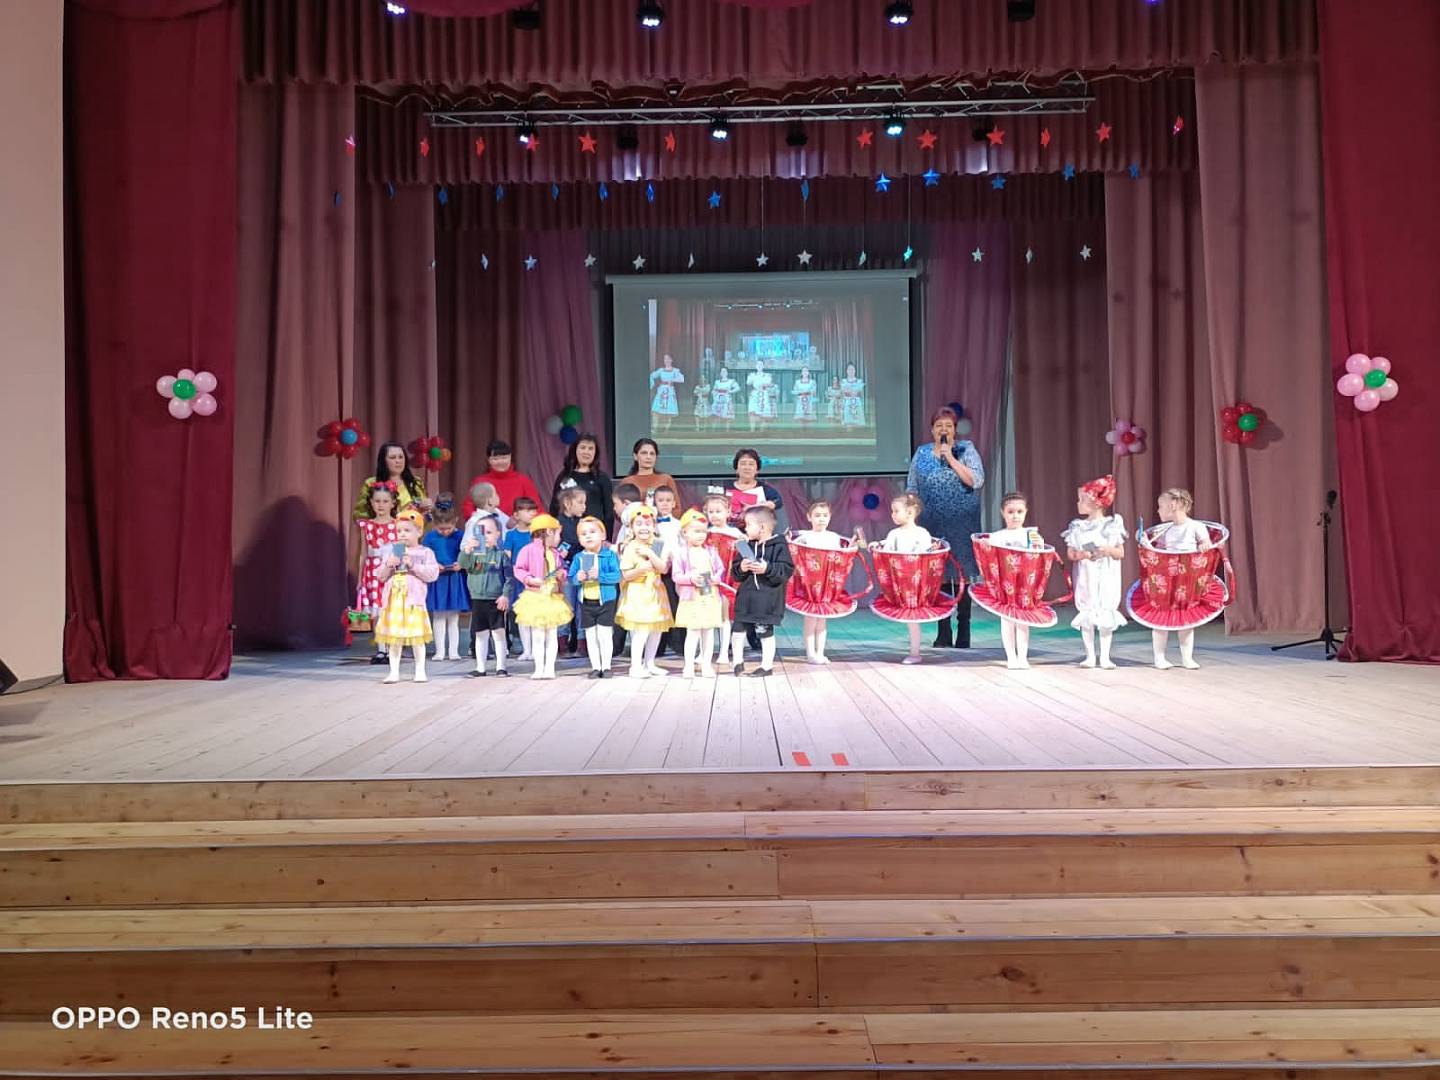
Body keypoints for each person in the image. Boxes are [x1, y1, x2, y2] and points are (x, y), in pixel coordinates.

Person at [906, 406, 984, 649]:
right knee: (938, 573)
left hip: (962, 521)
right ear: (932, 430)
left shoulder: (966, 449)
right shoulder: (922, 453)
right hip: (932, 522)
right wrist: (910, 516)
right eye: (939, 426)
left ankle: (964, 629)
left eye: (948, 426)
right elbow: (912, 487)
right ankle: (943, 630)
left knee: (962, 574)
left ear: (954, 430)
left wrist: (950, 458)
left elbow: (976, 480)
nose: (943, 429)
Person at [1063, 475, 1127, 669]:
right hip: (1087, 576)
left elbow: (1120, 553)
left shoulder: (1112, 525)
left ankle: (1105, 656)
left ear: (1096, 502)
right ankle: (1090, 655)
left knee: (1106, 613)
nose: (1078, 503)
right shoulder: (1078, 527)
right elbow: (1071, 554)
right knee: (1088, 614)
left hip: (1106, 575)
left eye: (1082, 499)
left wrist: (1107, 550)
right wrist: (1082, 554)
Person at [373, 508, 440, 684]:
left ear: (419, 531)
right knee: (395, 639)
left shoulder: (425, 552)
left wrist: (413, 566)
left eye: (407, 530)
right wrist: (388, 565)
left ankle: (420, 671)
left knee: (417, 638)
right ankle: (394, 671)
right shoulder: (393, 551)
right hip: (394, 603)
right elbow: (380, 576)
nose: (402, 534)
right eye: (399, 530)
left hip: (413, 603)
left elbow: (432, 574)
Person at [1150, 487, 1213, 670]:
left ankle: (1187, 658)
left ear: (1174, 505)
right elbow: (1158, 552)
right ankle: (1159, 657)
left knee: (1186, 620)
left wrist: (1204, 545)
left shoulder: (1196, 527)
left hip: (1187, 580)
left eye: (1161, 506)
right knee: (1161, 618)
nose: (1158, 510)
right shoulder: (1165, 531)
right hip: (1168, 580)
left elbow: (1207, 544)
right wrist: (1147, 544)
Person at [729, 504, 794, 677]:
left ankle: (766, 666)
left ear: (762, 527)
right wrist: (742, 567)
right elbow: (735, 574)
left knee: (764, 631)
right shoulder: (746, 546)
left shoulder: (779, 546)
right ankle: (737, 663)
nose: (745, 528)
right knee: (738, 629)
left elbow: (786, 571)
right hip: (746, 599)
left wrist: (767, 568)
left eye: (749, 525)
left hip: (767, 600)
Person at [871, 493, 936, 665]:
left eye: (896, 511)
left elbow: (926, 555)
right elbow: (887, 550)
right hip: (900, 583)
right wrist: (876, 546)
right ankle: (914, 652)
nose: (892, 514)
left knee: (912, 618)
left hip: (916, 584)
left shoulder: (922, 533)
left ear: (910, 512)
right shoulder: (894, 534)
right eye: (892, 511)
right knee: (909, 619)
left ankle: (915, 653)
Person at [616, 504, 674, 679]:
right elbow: (626, 574)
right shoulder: (630, 547)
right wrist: (641, 569)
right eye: (639, 524)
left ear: (654, 526)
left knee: (656, 630)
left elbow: (663, 568)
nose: (644, 527)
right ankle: (635, 666)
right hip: (638, 592)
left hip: (655, 592)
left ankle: (650, 663)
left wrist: (650, 553)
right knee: (641, 631)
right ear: (632, 528)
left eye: (648, 524)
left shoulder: (657, 544)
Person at [512, 513, 572, 681]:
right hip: (535, 597)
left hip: (552, 597)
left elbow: (562, 569)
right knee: (537, 635)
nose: (559, 538)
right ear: (548, 532)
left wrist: (562, 574)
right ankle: (539, 668)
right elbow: (519, 569)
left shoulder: (555, 553)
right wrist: (530, 579)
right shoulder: (528, 550)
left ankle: (549, 668)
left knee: (552, 634)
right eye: (557, 533)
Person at [988, 492, 1043, 670]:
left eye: (1019, 511)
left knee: (1023, 620)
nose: (1015, 516)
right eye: (1010, 512)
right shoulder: (996, 537)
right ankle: (1011, 656)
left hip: (1024, 585)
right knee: (1007, 619)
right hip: (1005, 585)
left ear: (1026, 512)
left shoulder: (1031, 535)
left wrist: (1038, 544)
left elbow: (1038, 558)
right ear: (1002, 513)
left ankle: (1023, 657)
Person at [670, 509, 726, 679]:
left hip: (709, 596)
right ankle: (688, 666)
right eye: (696, 531)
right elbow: (676, 576)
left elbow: (720, 569)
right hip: (691, 599)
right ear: (685, 533)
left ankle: (706, 665)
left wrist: (716, 578)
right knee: (693, 632)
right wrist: (690, 579)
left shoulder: (710, 551)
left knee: (708, 632)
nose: (701, 535)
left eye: (703, 531)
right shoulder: (680, 553)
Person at [793, 499, 848, 665]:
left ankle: (820, 652)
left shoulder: (833, 537)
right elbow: (795, 553)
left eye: (825, 515)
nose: (821, 519)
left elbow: (840, 558)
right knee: (810, 618)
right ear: (809, 517)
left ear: (830, 517)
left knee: (822, 619)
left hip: (826, 585)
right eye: (817, 515)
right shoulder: (804, 537)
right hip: (809, 585)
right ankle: (810, 653)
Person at [459, 514, 513, 678]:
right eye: (480, 533)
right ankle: (480, 668)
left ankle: (501, 667)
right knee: (480, 634)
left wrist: (505, 595)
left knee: (498, 633)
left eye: (489, 532)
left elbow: (509, 578)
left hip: (495, 600)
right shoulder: (474, 555)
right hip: (477, 599)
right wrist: (467, 550)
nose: (485, 536)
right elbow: (463, 565)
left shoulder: (501, 555)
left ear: (498, 534)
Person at [569, 516, 622, 678]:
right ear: (579, 539)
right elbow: (570, 579)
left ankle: (606, 666)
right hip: (586, 602)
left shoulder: (610, 556)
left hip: (606, 601)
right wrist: (578, 578)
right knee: (591, 635)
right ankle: (595, 667)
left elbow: (617, 576)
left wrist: (600, 576)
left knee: (605, 634)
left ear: (603, 535)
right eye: (583, 534)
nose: (588, 536)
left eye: (592, 532)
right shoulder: (579, 557)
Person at [355, 483, 401, 665]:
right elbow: (363, 552)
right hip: (372, 572)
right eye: (377, 501)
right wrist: (360, 578)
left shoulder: (397, 525)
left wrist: (400, 572)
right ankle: (381, 649)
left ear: (393, 503)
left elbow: (400, 551)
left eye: (385, 501)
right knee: (377, 611)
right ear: (371, 502)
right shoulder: (366, 526)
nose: (381, 505)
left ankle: (393, 648)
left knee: (391, 610)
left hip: (391, 571)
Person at [422, 495, 468, 662]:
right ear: (434, 523)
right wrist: (435, 565)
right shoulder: (430, 537)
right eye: (441, 529)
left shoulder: (460, 536)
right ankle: (440, 651)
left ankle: (453, 651)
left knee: (453, 618)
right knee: (439, 616)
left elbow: (466, 554)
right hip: (438, 579)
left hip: (454, 578)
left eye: (448, 528)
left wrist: (461, 564)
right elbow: (424, 556)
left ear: (455, 521)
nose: (445, 531)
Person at [704, 491, 744, 669]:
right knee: (705, 615)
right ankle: (703, 652)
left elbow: (746, 554)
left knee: (724, 616)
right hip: (706, 578)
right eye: (711, 512)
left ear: (728, 512)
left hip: (726, 579)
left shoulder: (735, 533)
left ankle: (723, 652)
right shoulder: (704, 533)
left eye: (718, 511)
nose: (714, 515)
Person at [461, 439, 544, 517]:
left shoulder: (523, 480)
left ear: (510, 457)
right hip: (488, 524)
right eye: (495, 459)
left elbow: (537, 507)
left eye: (504, 458)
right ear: (489, 460)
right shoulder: (480, 481)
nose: (500, 462)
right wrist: (479, 518)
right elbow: (468, 507)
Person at [352, 442, 431, 522]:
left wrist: (425, 508)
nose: (398, 461)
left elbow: (425, 515)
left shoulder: (415, 482)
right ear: (383, 461)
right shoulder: (371, 483)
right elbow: (360, 516)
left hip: (412, 528)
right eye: (393, 457)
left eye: (401, 457)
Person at [502, 497, 540, 661]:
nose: (532, 513)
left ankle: (537, 648)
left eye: (534, 510)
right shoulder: (511, 535)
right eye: (527, 510)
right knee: (521, 614)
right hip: (518, 581)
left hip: (535, 580)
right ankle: (525, 648)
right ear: (516, 515)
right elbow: (507, 557)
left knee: (536, 614)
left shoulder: (537, 533)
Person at [548, 433, 613, 523]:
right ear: (575, 450)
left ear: (595, 453)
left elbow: (609, 512)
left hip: (593, 529)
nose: (586, 452)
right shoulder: (565, 476)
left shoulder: (602, 478)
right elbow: (554, 507)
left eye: (590, 448)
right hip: (567, 528)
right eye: (582, 448)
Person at [555, 482, 588, 656]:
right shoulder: (558, 524)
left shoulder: (583, 523)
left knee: (582, 606)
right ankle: (562, 644)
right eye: (580, 502)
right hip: (566, 569)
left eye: (584, 502)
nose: (584, 506)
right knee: (567, 606)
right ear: (568, 504)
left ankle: (582, 643)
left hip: (583, 568)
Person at [726, 448, 787, 531]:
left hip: (758, 533)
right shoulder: (726, 488)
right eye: (743, 464)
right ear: (736, 468)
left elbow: (778, 502)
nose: (747, 467)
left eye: (751, 464)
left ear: (757, 470)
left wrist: (756, 507)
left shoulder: (765, 488)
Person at [624, 437, 680, 504]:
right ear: (635, 456)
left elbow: (676, 507)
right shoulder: (627, 481)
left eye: (652, 454)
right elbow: (621, 507)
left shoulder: (666, 479)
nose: (648, 457)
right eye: (644, 453)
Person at [649, 353, 685, 434]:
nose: (666, 360)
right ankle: (655, 428)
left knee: (668, 412)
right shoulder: (661, 370)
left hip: (670, 391)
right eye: (665, 359)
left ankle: (666, 429)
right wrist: (652, 385)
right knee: (656, 411)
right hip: (661, 391)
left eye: (668, 359)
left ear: (671, 360)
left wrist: (672, 380)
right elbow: (652, 376)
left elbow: (682, 379)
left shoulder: (675, 370)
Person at [746, 360, 775, 431]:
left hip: (763, 394)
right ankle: (752, 430)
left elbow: (770, 384)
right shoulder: (752, 375)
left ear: (763, 366)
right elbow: (748, 383)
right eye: (758, 364)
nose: (759, 366)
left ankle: (761, 431)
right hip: (755, 394)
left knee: (764, 413)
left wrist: (763, 385)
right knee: (753, 411)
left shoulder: (767, 375)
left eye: (761, 364)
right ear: (756, 366)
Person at [711, 366, 739, 430]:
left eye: (724, 371)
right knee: (716, 416)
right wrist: (714, 395)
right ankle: (713, 430)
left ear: (727, 373)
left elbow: (737, 388)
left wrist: (730, 391)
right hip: (718, 400)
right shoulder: (717, 382)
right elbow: (714, 390)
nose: (723, 373)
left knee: (727, 417)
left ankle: (727, 430)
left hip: (727, 399)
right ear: (720, 373)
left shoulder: (731, 381)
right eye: (722, 371)